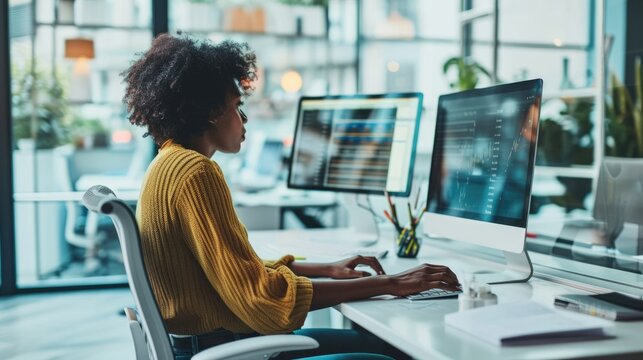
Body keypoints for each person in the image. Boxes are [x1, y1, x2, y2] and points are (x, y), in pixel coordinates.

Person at [123, 33, 460, 360]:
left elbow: (237, 270)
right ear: (211, 111)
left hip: (203, 345)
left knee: (379, 343)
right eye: (237, 106)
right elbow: (262, 298)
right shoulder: (197, 173)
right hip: (225, 349)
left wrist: (328, 268)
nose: (245, 118)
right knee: (390, 352)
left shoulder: (166, 164)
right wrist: (391, 283)